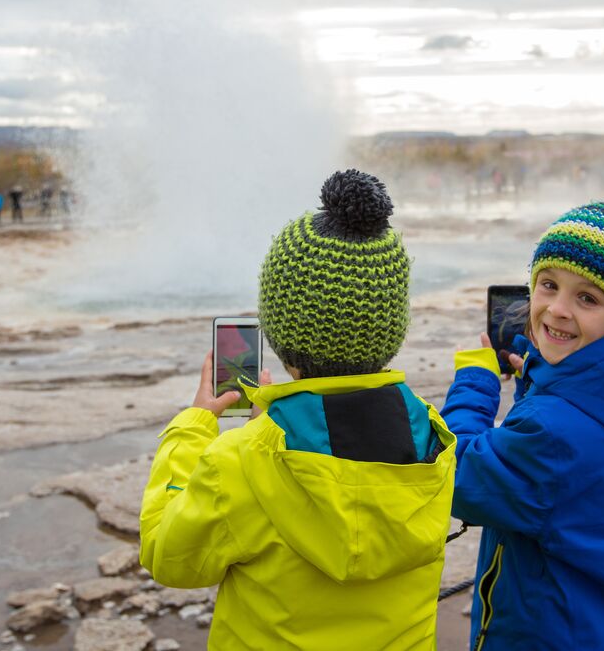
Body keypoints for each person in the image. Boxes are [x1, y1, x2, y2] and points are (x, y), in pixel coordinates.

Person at [140, 170, 456, 649]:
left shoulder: (244, 460)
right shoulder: (432, 437)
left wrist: (194, 427)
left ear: (281, 334)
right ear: (390, 326)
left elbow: (167, 555)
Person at [441, 184, 604, 651]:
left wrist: (476, 381)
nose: (557, 309)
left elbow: (457, 473)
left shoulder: (555, 430)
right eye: (548, 285)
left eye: (588, 298)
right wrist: (541, 377)